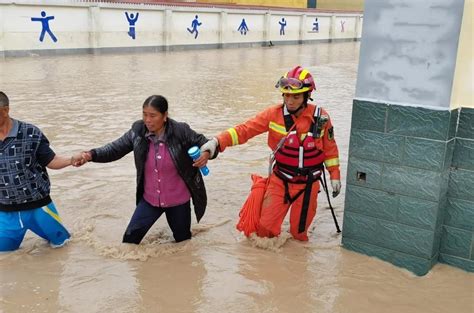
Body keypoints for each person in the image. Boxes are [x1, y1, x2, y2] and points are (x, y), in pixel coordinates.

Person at [200, 66, 341, 241]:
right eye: (286, 95)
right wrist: (217, 142)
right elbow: (244, 130)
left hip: (308, 184)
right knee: (264, 232)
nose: (290, 101)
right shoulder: (272, 115)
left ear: (307, 96)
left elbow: (330, 149)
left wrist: (335, 175)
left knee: (299, 235)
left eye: (296, 96)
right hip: (280, 180)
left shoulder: (321, 118)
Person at [78, 95, 216, 245]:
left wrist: (206, 154)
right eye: (144, 114)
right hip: (150, 200)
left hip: (178, 201)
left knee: (183, 244)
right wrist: (90, 155)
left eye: (152, 115)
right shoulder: (137, 133)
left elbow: (207, 143)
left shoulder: (181, 131)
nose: (147, 120)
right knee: (129, 242)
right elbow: (115, 149)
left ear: (165, 116)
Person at [0, 91, 82, 251]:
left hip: (39, 208)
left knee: (64, 246)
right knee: (5, 257)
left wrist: (72, 159)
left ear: (5, 110)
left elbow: (51, 161)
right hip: (5, 213)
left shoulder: (30, 133)